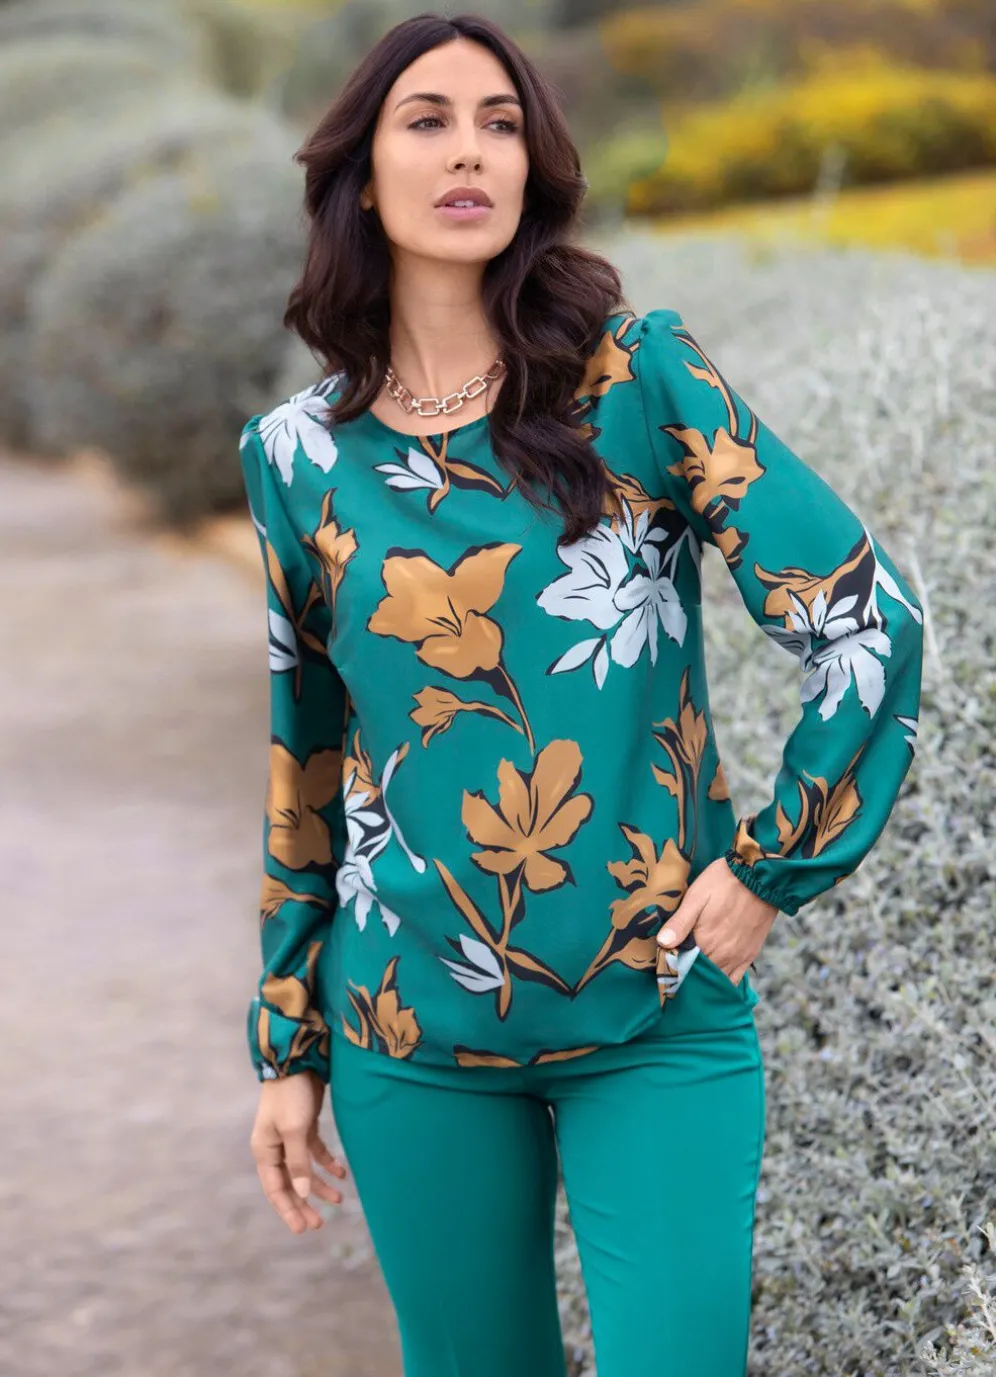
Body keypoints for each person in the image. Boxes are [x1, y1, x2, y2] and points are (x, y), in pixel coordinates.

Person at [240, 12, 924, 1377]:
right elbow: (306, 756)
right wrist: (288, 1039)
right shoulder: (296, 454)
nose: (470, 151)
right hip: (408, 1028)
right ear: (359, 180)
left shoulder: (637, 377)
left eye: (500, 124)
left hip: (655, 1013)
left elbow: (865, 620)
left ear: (533, 168)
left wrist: (770, 868)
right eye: (428, 121)